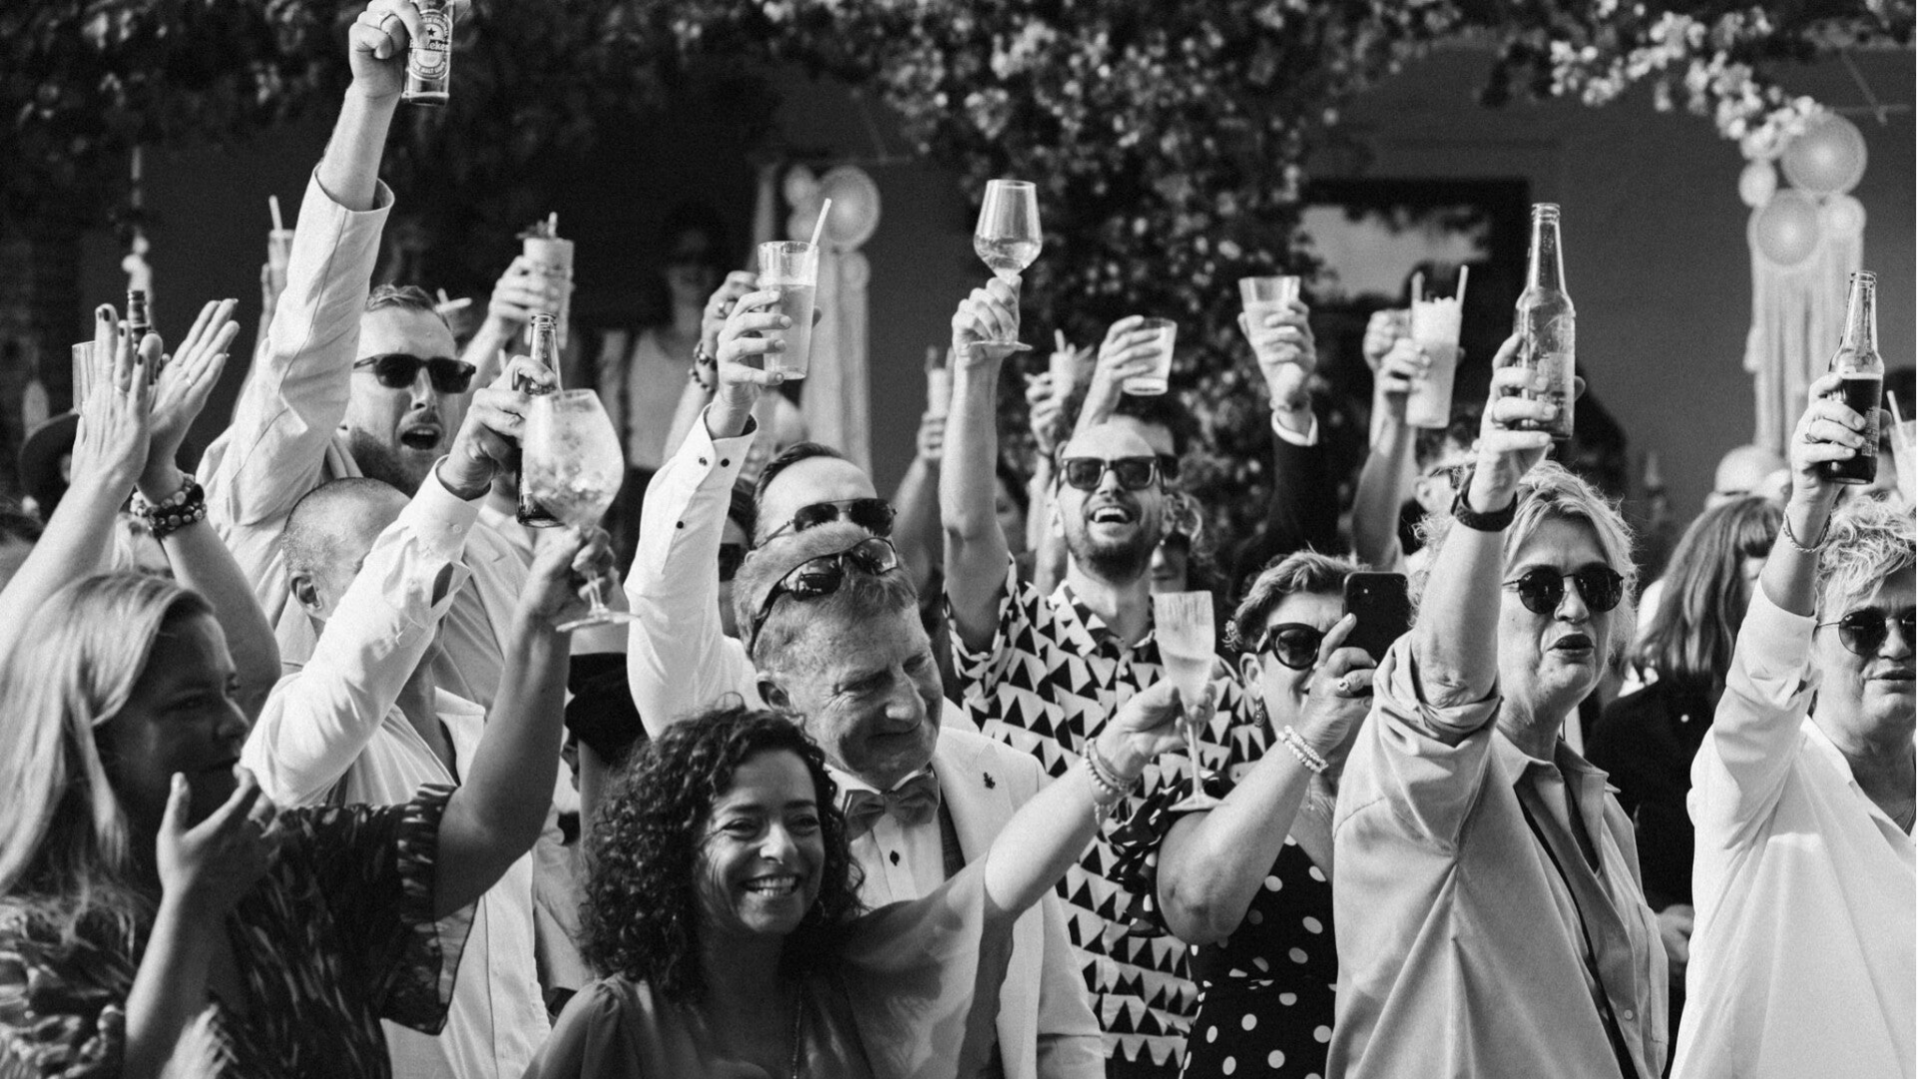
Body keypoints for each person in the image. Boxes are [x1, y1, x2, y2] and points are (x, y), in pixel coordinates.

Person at [0, 517, 591, 1077]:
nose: (235, 722)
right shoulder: (28, 947)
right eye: (191, 704)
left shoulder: (280, 861)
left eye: (229, 691)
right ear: (92, 736)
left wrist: (541, 629)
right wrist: (191, 910)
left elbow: (488, 827)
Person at [523, 689, 1189, 1079]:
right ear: (675, 847)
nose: (781, 847)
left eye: (803, 821)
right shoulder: (615, 1023)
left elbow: (997, 885)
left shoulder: (852, 979)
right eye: (744, 825)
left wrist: (1115, 757)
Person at [240, 356, 593, 1078]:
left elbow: (507, 987)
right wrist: (459, 477)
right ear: (308, 594)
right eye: (381, 563)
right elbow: (363, 653)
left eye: (436, 556)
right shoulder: (293, 733)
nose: (428, 579)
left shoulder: (479, 729)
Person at [942, 277, 1259, 1077]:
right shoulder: (1016, 636)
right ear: (1054, 506)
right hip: (1032, 1037)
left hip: (1179, 1046)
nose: (1108, 484)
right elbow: (967, 527)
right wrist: (975, 370)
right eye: (1083, 472)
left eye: (1133, 471)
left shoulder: (1215, 681)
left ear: (1169, 505)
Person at [1328, 336, 1667, 1079]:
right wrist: (1488, 494)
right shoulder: (1429, 773)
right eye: (1539, 587)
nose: (1574, 607)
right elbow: (1448, 685)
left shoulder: (1603, 810)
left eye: (1597, 585)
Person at [197, 0, 543, 712]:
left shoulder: (495, 553)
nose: (426, 394)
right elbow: (312, 326)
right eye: (393, 370)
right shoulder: (280, 490)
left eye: (447, 373)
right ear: (339, 393)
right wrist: (371, 100)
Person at [1671, 376, 1918, 1078]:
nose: (1896, 646)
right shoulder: (1755, 783)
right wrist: (1807, 507)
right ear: (1810, 645)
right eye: (1863, 627)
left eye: (1916, 624)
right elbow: (1759, 682)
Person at [1114, 551, 1375, 1079]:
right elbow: (1196, 906)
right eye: (1298, 645)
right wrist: (1310, 736)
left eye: (1344, 643)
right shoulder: (1212, 800)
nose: (1326, 664)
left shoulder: (1415, 809)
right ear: (1254, 676)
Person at [1588, 495, 1779, 1053]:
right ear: (1713, 589)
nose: (1796, 598)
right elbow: (1586, 871)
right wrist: (1649, 927)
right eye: (1767, 580)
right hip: (1677, 1015)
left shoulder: (1815, 719)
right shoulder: (1633, 728)